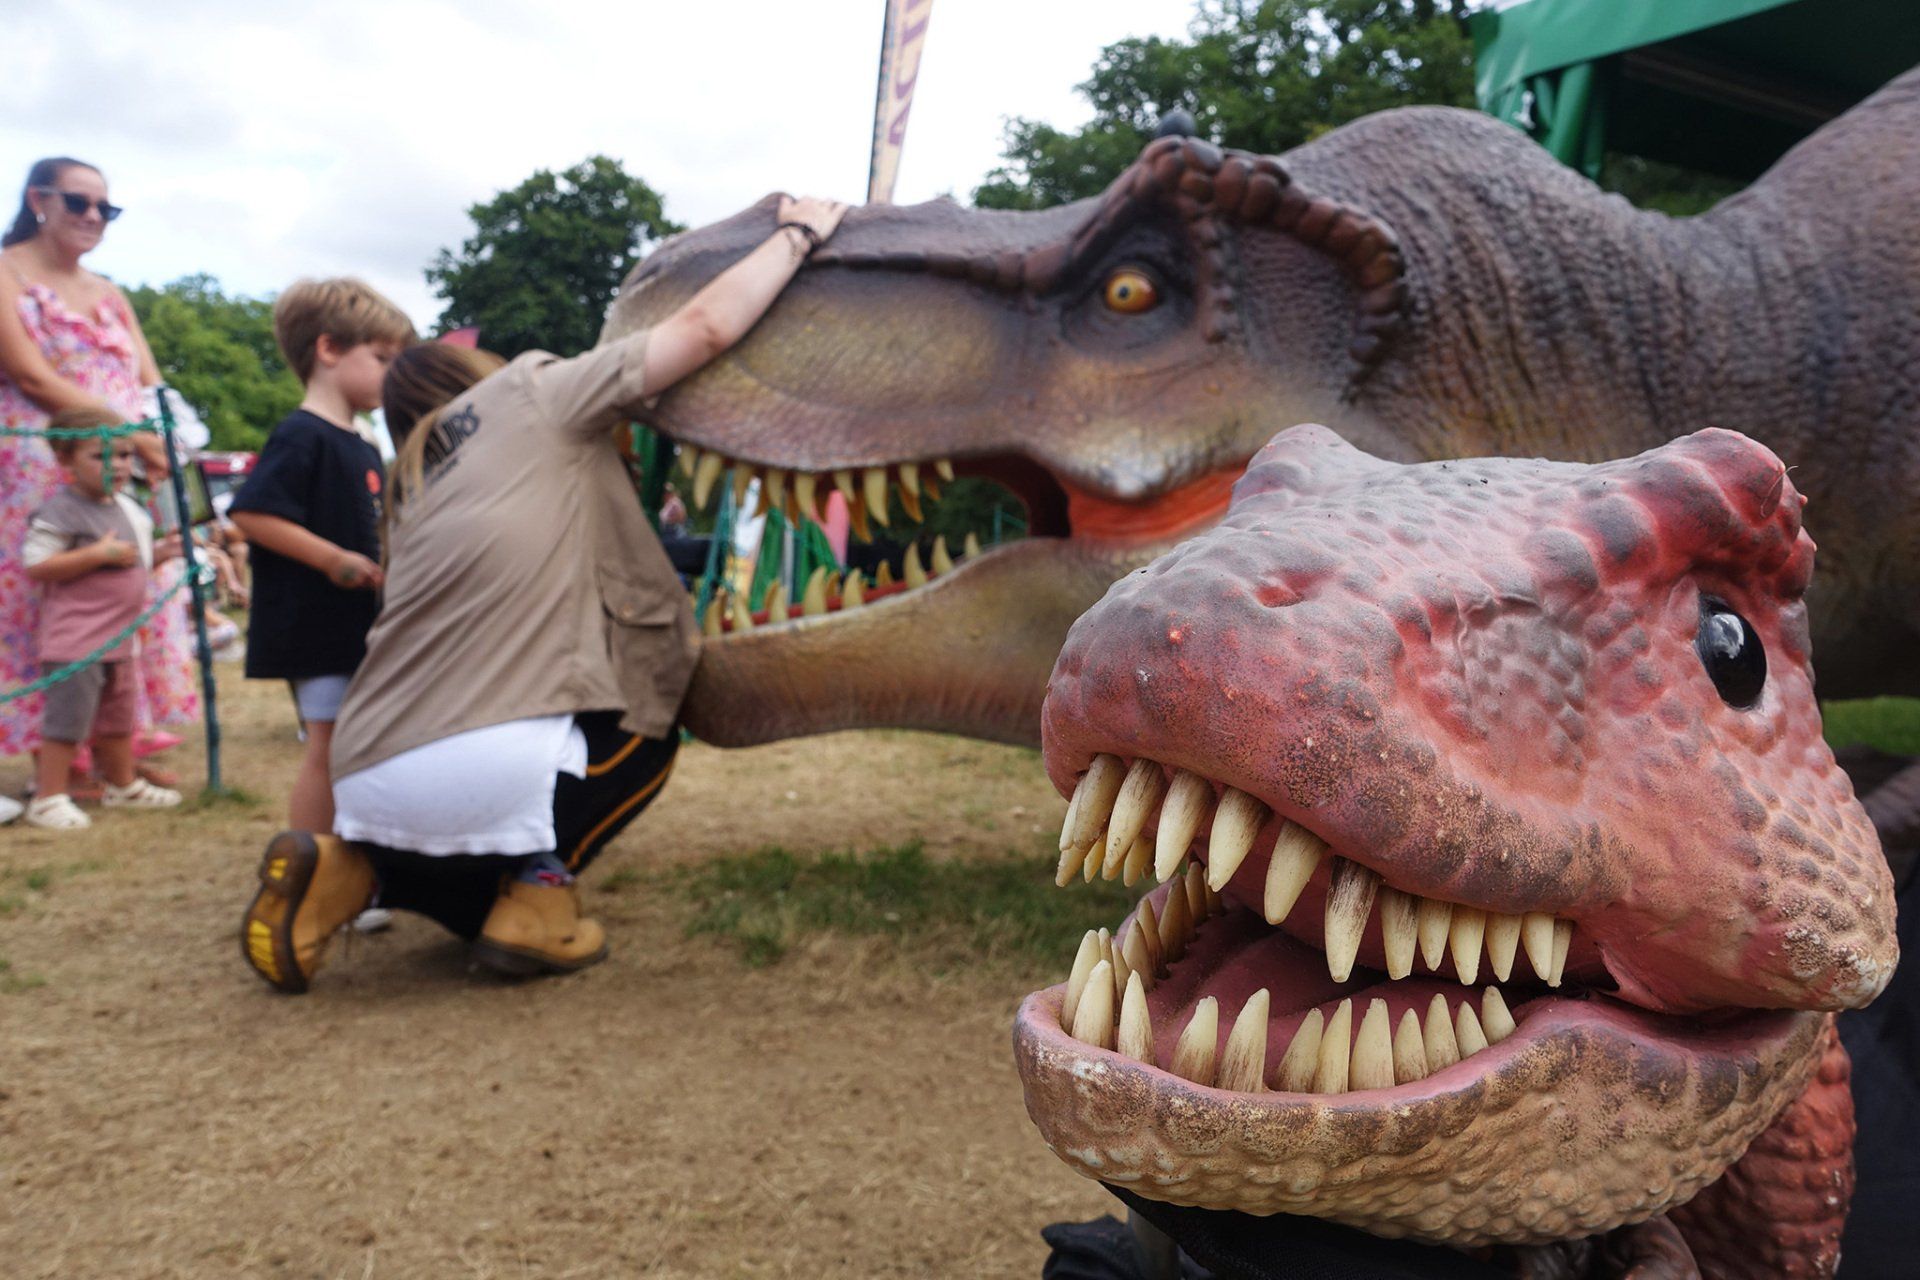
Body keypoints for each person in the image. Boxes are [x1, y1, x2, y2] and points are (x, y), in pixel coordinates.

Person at [239, 194, 848, 993]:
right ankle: (535, 895)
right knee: (650, 726)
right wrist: (799, 235)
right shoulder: (529, 391)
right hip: (484, 769)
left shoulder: (409, 482)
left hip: (362, 772)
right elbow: (702, 330)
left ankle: (352, 872)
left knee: (462, 824)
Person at [0, 156, 191, 779]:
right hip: (43, 458)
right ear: (38, 200)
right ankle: (58, 756)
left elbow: (150, 379)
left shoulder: (109, 292)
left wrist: (162, 439)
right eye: (78, 202)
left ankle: (117, 747)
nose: (93, 217)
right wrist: (128, 434)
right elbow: (30, 375)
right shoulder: (6, 273)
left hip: (125, 464)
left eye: (105, 208)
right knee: (50, 602)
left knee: (127, 586)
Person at [227, 279, 414, 837]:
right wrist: (334, 560)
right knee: (328, 749)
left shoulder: (361, 442)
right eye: (382, 358)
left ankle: (357, 851)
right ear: (329, 349)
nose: (393, 374)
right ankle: (314, 864)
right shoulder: (301, 434)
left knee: (362, 745)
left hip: (357, 626)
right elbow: (253, 512)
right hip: (316, 627)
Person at [20, 408, 183, 829]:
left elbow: (135, 559)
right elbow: (37, 564)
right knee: (67, 722)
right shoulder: (62, 510)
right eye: (101, 456)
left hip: (119, 640)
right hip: (75, 642)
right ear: (66, 459)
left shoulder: (129, 507)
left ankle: (122, 783)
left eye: (125, 455)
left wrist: (164, 552)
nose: (118, 466)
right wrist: (95, 555)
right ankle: (49, 797)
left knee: (118, 720)